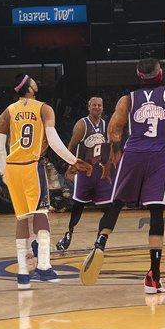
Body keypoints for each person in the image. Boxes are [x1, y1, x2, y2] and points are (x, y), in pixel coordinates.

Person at [80, 57, 165, 294]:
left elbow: (114, 128)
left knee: (116, 204)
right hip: (158, 156)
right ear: (159, 74)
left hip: (133, 154)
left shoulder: (128, 99)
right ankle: (154, 276)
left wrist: (113, 156)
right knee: (156, 212)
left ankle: (101, 242)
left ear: (138, 75)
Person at [0, 73, 90, 290]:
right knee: (41, 214)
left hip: (12, 167)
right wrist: (73, 160)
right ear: (30, 87)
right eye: (33, 80)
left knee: (22, 218)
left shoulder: (8, 111)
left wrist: (3, 173)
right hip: (31, 166)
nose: (37, 81)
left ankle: (22, 272)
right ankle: (44, 267)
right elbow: (54, 141)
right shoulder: (43, 108)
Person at [57, 96, 114, 252]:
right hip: (83, 170)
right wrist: (69, 165)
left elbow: (107, 148)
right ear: (89, 107)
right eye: (94, 105)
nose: (97, 107)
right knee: (78, 205)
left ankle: (100, 239)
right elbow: (71, 146)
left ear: (103, 107)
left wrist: (108, 168)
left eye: (100, 105)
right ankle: (68, 234)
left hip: (99, 171)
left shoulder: (105, 124)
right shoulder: (82, 125)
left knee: (108, 207)